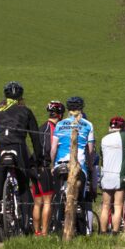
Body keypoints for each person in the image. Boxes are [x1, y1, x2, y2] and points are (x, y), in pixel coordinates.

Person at [0, 81, 42, 239]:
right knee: (24, 186)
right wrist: (38, 159)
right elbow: (35, 137)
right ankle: (25, 224)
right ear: (21, 97)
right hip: (18, 147)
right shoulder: (26, 111)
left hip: (0, 148)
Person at [51, 96, 95, 230]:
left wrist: (52, 165)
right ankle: (80, 229)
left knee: (58, 197)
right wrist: (90, 165)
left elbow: (53, 148)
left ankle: (57, 227)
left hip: (60, 164)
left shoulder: (59, 124)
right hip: (79, 165)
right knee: (79, 199)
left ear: (68, 109)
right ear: (81, 109)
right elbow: (91, 150)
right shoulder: (88, 125)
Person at [29, 100, 63, 237]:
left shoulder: (41, 127)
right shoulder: (53, 129)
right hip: (44, 166)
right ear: (60, 115)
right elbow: (49, 149)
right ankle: (44, 232)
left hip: (33, 167)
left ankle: (36, 232)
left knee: (37, 202)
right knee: (47, 201)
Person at [99, 116, 125, 234]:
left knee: (105, 206)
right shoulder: (124, 136)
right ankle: (115, 232)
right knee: (118, 206)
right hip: (119, 176)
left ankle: (102, 232)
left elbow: (102, 156)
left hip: (106, 176)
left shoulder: (104, 139)